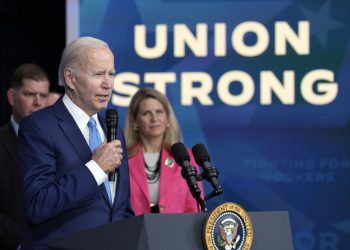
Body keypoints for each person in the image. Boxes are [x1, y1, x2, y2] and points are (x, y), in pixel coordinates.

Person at [16, 37, 134, 249]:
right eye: (98, 74)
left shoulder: (113, 130)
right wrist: (96, 168)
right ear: (70, 78)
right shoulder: (39, 127)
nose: (108, 83)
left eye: (112, 74)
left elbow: (120, 207)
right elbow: (38, 205)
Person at [124, 88, 204, 215]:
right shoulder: (122, 159)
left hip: (177, 231)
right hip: (134, 232)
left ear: (167, 117)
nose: (154, 118)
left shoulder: (185, 158)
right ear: (135, 121)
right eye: (146, 113)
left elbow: (194, 207)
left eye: (159, 112)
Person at [0, 63, 50, 250]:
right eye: (29, 94)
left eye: (43, 95)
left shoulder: (60, 143)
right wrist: (22, 241)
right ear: (12, 97)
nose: (38, 102)